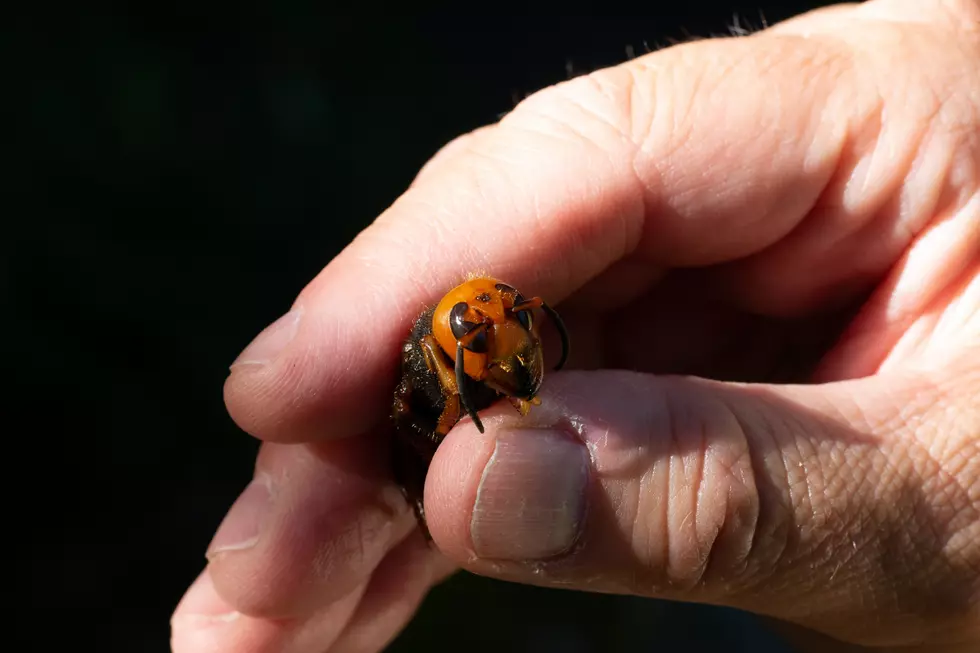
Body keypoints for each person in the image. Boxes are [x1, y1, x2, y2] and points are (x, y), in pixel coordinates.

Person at [170, 1, 980, 650]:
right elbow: (441, 390)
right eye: (492, 326)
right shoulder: (456, 348)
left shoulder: (494, 323)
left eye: (506, 320)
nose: (503, 325)